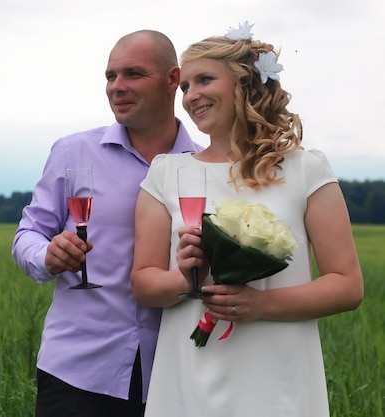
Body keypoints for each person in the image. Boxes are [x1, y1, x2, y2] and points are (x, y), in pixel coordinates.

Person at [130, 22, 364, 417]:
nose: (191, 96)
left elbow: (347, 285)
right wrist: (186, 274)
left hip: (278, 379)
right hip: (188, 378)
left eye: (204, 80)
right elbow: (143, 284)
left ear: (246, 84)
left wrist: (260, 305)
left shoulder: (306, 170)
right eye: (185, 86)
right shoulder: (166, 173)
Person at [12, 30, 204, 417]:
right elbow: (28, 233)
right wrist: (47, 254)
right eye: (110, 76)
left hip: (175, 370)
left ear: (172, 79)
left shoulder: (203, 166)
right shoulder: (73, 151)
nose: (117, 87)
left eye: (133, 74)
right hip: (77, 370)